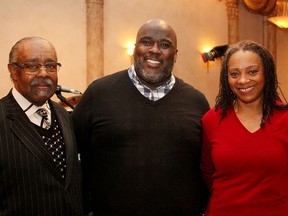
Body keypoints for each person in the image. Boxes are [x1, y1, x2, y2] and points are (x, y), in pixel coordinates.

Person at [72, 19, 210, 216]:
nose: (154, 50)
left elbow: (206, 167)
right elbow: (73, 156)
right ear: (135, 48)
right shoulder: (98, 93)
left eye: (165, 45)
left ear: (175, 55)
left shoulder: (196, 102)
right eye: (146, 42)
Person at [201, 40, 288, 216]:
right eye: (234, 73)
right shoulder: (211, 120)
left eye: (253, 71)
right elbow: (207, 172)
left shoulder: (285, 119)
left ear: (267, 73)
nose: (242, 80)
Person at [0, 37, 83, 215]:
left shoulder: (64, 115)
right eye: (32, 66)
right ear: (13, 71)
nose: (44, 73)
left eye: (51, 66)